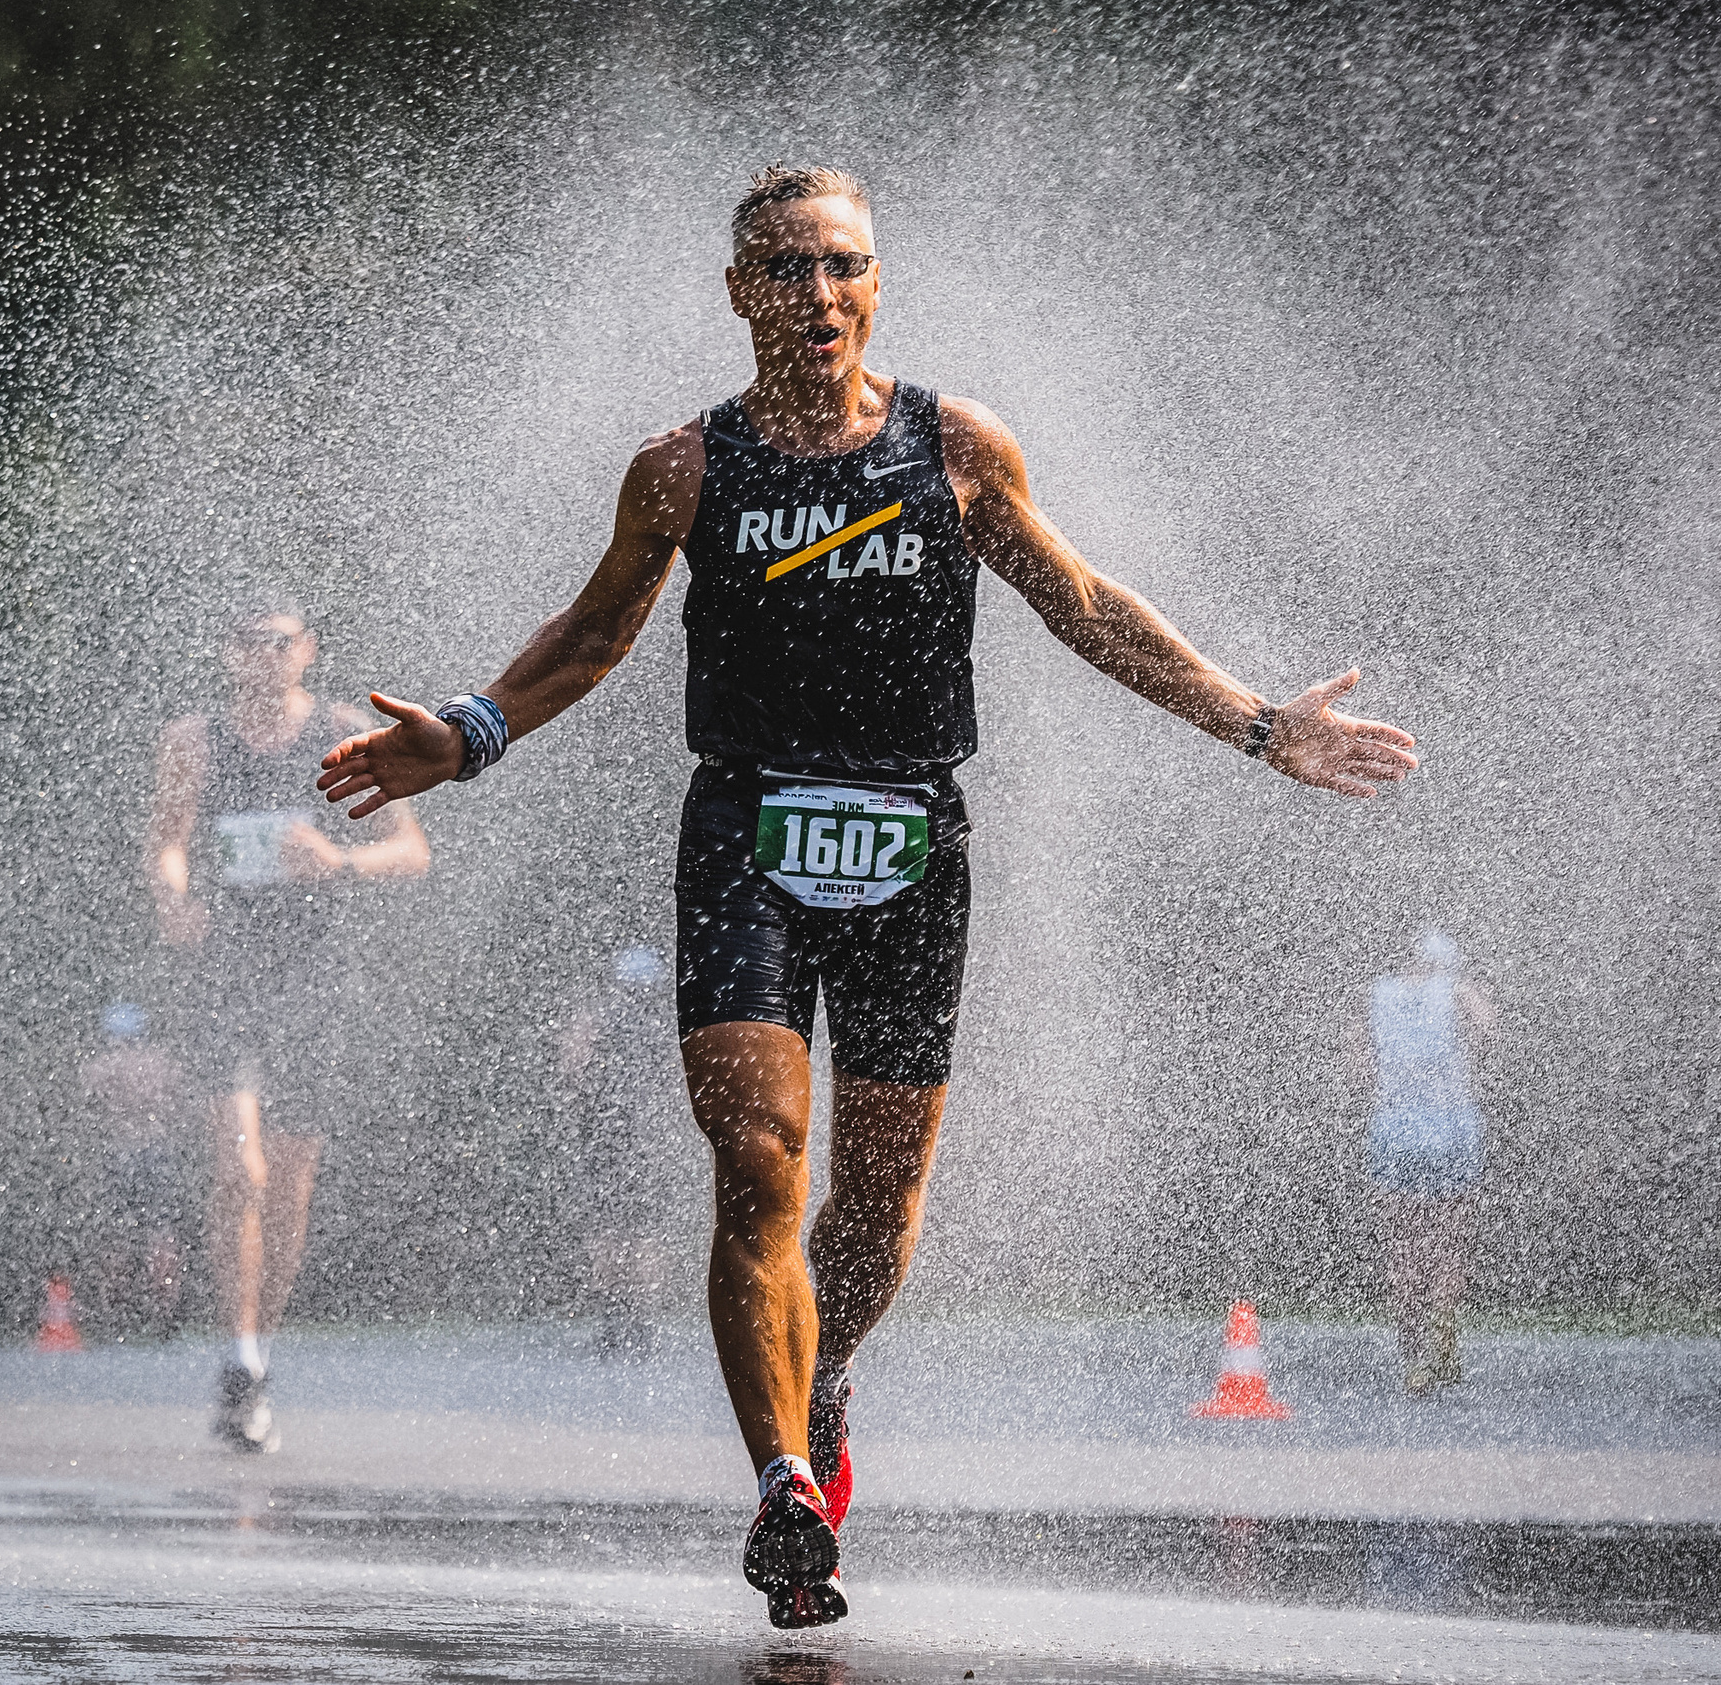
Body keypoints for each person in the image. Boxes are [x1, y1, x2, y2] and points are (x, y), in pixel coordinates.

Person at [312, 164, 1420, 1626]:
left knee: (879, 1196)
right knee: (760, 1155)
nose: (812, 292)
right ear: (736, 292)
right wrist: (470, 732)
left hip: (912, 841)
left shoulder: (955, 447)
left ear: (876, 283)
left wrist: (1261, 724)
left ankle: (818, 1369)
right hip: (746, 829)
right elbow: (591, 634)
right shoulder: (685, 470)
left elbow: (1084, 606)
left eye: (839, 265)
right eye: (780, 267)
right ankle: (781, 1481)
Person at [146, 597, 428, 1452]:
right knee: (241, 1167)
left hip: (311, 980)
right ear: (227, 654)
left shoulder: (342, 733)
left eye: (278, 643)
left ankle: (258, 1354)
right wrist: (172, 893)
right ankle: (235, 1356)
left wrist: (338, 858)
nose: (262, 658)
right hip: (224, 977)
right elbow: (166, 842)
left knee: (291, 1183)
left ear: (306, 650)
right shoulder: (195, 740)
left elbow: (411, 849)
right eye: (246, 644)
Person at [1353, 929, 1495, 1399]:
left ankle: (1413, 1356)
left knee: (1402, 1244)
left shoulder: (1379, 996)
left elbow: (1360, 1065)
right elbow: (1490, 1031)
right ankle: (1443, 1325)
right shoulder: (1456, 990)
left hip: (1395, 1134)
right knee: (1451, 1239)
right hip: (1452, 1131)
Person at [557, 943, 692, 1358]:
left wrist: (578, 1099)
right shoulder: (669, 1019)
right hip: (645, 1137)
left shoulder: (600, 1015)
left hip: (606, 1133)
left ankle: (618, 1324)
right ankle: (638, 1326)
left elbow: (571, 1066)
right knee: (642, 1232)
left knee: (612, 1231)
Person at [78, 1002, 194, 1341]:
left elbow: (88, 1110)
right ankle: (165, 1316)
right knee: (162, 1234)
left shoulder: (99, 1068)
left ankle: (116, 1317)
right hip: (157, 1152)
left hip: (119, 1153)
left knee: (116, 1237)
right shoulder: (161, 1065)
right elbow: (178, 1105)